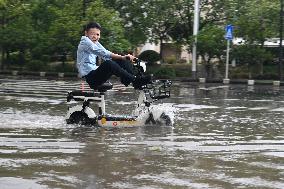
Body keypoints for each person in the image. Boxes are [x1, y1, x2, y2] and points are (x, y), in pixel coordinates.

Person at [76, 21, 151, 90]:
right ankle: (134, 80)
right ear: (86, 33)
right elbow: (103, 53)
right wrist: (122, 57)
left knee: (119, 59)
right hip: (91, 78)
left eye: (97, 34)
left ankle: (135, 80)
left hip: (96, 73)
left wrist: (125, 58)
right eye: (92, 34)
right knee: (109, 63)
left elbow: (106, 53)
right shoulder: (85, 42)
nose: (95, 36)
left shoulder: (95, 43)